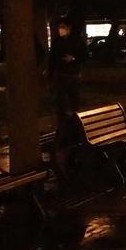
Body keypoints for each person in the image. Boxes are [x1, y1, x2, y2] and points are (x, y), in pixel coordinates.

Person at [46, 22, 81, 157]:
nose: (62, 30)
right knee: (60, 103)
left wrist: (74, 59)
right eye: (60, 27)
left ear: (69, 29)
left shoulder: (76, 41)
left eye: (64, 27)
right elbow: (52, 59)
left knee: (73, 102)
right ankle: (62, 128)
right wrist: (50, 74)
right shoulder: (56, 42)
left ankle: (75, 126)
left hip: (73, 76)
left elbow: (84, 55)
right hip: (60, 76)